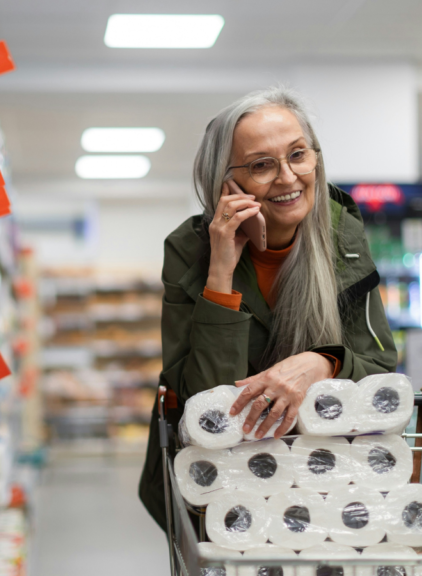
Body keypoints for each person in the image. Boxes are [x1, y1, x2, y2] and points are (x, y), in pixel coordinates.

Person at [138, 87, 398, 530]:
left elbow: (379, 371)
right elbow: (204, 403)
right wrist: (220, 271)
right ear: (224, 180)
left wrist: (323, 362)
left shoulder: (342, 236)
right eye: (262, 165)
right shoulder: (189, 250)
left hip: (331, 486)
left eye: (298, 154)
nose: (288, 177)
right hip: (223, 493)